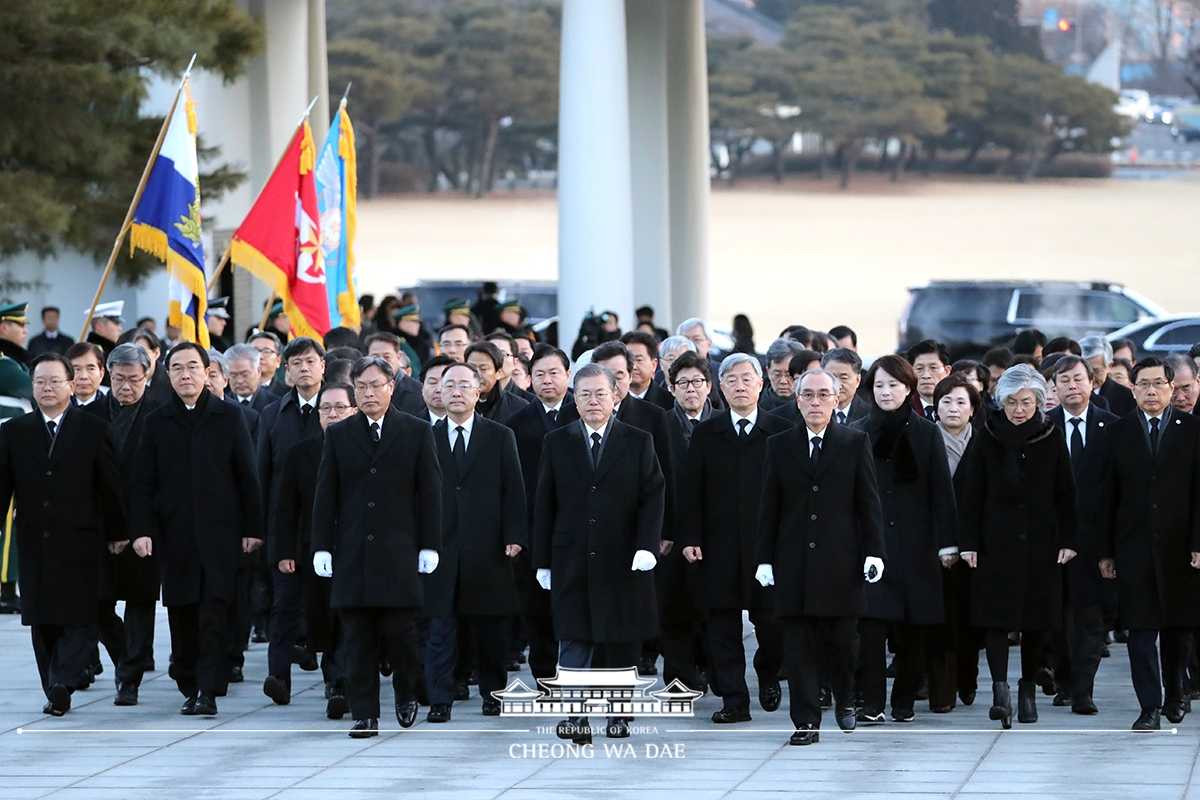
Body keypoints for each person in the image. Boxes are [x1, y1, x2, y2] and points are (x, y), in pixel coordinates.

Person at [533, 363, 665, 745]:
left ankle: (618, 713)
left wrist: (646, 545)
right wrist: (542, 560)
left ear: (615, 397)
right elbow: (545, 502)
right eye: (585, 394)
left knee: (619, 639)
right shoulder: (558, 441)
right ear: (574, 400)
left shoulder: (638, 440)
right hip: (572, 556)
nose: (593, 401)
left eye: (600, 394)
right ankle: (576, 715)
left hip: (622, 557)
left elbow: (653, 495)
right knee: (574, 637)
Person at [311, 357, 443, 738]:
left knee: (401, 636)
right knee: (357, 640)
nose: (369, 393)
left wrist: (429, 544)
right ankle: (365, 713)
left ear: (392, 386)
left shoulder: (416, 431)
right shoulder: (339, 434)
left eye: (376, 386)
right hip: (353, 553)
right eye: (361, 387)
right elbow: (326, 495)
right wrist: (322, 546)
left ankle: (406, 693)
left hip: (399, 553)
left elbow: (430, 492)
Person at [755, 367, 886, 746]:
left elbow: (868, 503)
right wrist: (764, 559)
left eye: (823, 395)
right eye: (807, 395)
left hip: (841, 562)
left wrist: (874, 551)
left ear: (836, 399)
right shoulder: (779, 445)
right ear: (797, 401)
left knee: (844, 642)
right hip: (793, 561)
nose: (815, 402)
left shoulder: (854, 442)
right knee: (797, 647)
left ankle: (845, 698)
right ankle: (806, 721)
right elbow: (770, 506)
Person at [131, 342, 263, 716]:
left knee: (214, 614)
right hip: (176, 539)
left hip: (221, 536)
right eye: (177, 368)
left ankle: (207, 689)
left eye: (193, 367)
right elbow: (143, 483)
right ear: (167, 375)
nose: (186, 374)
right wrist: (142, 530)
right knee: (184, 617)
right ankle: (190, 681)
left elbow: (246, 477)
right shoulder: (156, 422)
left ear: (207, 373)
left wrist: (253, 527)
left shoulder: (229, 416)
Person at [0, 353, 127, 715]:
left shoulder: (93, 429)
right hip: (35, 539)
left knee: (77, 617)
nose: (47, 388)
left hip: (80, 539)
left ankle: (63, 683)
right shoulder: (14, 431)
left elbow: (109, 486)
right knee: (41, 618)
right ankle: (53, 684)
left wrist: (118, 531)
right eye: (40, 381)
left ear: (72, 386)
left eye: (55, 381)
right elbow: (2, 484)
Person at [958, 364, 1077, 729]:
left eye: (1026, 402)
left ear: (1039, 401)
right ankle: (1000, 689)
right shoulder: (987, 435)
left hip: (1041, 544)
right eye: (1011, 402)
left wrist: (1068, 540)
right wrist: (969, 543)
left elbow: (1066, 492)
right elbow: (971, 494)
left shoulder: (1050, 435)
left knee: (1035, 620)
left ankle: (1027, 690)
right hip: (995, 542)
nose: (1019, 409)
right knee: (994, 618)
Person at [680, 353, 791, 723]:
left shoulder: (779, 430)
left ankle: (768, 670)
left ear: (761, 384)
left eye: (748, 378)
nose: (740, 385)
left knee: (773, 624)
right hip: (718, 545)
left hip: (767, 547)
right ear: (721, 388)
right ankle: (734, 700)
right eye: (732, 379)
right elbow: (692, 489)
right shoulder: (707, 432)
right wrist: (690, 536)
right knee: (721, 627)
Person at [850, 355, 958, 723]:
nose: (885, 392)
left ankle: (904, 701)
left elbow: (942, 491)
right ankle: (872, 703)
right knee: (870, 628)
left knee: (915, 630)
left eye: (893, 385)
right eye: (879, 385)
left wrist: (948, 544)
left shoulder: (927, 432)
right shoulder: (858, 429)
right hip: (872, 546)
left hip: (917, 544)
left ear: (909, 388)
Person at [1099, 356, 1200, 731]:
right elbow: (1107, 494)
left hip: (1180, 548)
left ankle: (1175, 694)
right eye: (1144, 384)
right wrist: (1106, 550)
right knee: (1141, 631)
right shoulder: (1118, 431)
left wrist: (1198, 543)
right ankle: (1149, 706)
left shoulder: (1192, 430)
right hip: (1134, 546)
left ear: (1171, 388)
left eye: (1159, 383)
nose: (1152, 391)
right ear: (1133, 389)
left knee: (1178, 629)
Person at [424, 363, 526, 723]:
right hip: (438, 546)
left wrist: (515, 536)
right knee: (439, 628)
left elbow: (513, 488)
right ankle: (440, 698)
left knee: (491, 629)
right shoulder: (426, 436)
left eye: (464, 385)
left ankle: (493, 693)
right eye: (447, 384)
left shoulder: (499, 435)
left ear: (479, 391)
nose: (454, 391)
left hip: (489, 547)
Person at [267, 382, 358, 719]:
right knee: (321, 617)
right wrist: (285, 551)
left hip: (356, 549)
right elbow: (286, 509)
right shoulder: (301, 453)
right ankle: (327, 678)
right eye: (325, 409)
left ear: (355, 410)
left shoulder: (367, 450)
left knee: (346, 617)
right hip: (312, 550)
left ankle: (339, 684)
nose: (332, 415)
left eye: (339, 408)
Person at [1047, 355, 1118, 715]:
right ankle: (1064, 680)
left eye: (1078, 379)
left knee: (1090, 619)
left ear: (1091, 382)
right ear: (1054, 387)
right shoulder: (1043, 427)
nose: (1072, 386)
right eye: (1064, 380)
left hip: (1095, 540)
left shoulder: (1113, 426)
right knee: (1058, 619)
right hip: (1052, 541)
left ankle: (1083, 690)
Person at [506, 346, 579, 682]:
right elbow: (509, 484)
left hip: (579, 525)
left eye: (554, 373)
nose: (547, 380)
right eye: (539, 374)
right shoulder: (516, 423)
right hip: (535, 529)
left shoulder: (584, 414)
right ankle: (546, 676)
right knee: (536, 608)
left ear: (568, 375)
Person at [257, 337, 326, 682]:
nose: (304, 368)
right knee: (283, 604)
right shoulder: (272, 414)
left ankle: (335, 679)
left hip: (328, 528)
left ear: (323, 366)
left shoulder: (339, 410)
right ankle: (278, 677)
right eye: (296, 363)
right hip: (285, 528)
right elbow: (263, 477)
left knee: (328, 607)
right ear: (287, 370)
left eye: (310, 361)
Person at [928, 373, 984, 710]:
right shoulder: (923, 440)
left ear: (973, 409)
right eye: (946, 401)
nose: (953, 408)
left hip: (974, 548)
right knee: (938, 621)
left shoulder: (984, 442)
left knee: (969, 618)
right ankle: (941, 692)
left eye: (961, 401)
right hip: (932, 546)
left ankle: (968, 679)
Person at [657, 351, 712, 691]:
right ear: (671, 387)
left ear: (709, 386)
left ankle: (710, 668)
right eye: (682, 383)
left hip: (714, 534)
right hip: (671, 534)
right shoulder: (658, 425)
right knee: (673, 610)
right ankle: (678, 677)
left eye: (697, 382)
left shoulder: (723, 424)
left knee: (712, 611)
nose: (690, 389)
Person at [363, 332, 429, 417]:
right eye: (375, 357)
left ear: (398, 357)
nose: (381, 362)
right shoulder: (360, 390)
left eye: (387, 357)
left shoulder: (419, 391)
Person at [465, 341, 526, 423]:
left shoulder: (518, 407)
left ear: (498, 373)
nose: (477, 375)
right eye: (472, 368)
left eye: (484, 369)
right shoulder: (453, 402)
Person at [1080, 335, 1136, 419]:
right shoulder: (1064, 393)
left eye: (1096, 371)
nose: (1090, 377)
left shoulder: (1127, 398)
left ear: (1109, 366)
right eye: (1083, 371)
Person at [766, 349, 823, 424]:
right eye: (803, 378)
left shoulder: (839, 416)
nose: (810, 383)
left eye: (816, 377)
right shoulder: (774, 419)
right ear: (792, 381)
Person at [620, 331, 673, 411]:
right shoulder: (612, 401)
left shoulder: (671, 403)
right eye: (629, 360)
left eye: (639, 360)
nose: (634, 367)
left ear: (654, 365)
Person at [906, 339, 952, 419]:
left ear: (946, 371)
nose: (926, 375)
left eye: (933, 368)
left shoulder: (958, 407)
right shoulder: (903, 410)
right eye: (919, 369)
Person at [822, 348, 870, 425]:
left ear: (857, 380)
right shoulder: (811, 415)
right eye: (832, 378)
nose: (838, 385)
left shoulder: (869, 416)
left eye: (844, 378)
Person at [225, 343, 276, 412]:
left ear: (258, 371)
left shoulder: (275, 405)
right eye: (234, 375)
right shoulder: (222, 404)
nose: (240, 381)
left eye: (245, 375)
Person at [759, 338, 806, 413]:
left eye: (789, 375)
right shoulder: (755, 404)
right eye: (777, 374)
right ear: (768, 372)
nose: (783, 381)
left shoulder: (809, 407)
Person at [66, 342, 109, 416]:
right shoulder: (57, 409)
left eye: (91, 369)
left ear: (101, 374)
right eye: (77, 369)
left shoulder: (111, 409)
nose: (84, 376)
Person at [249, 331, 288, 396]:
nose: (260, 356)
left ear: (278, 360)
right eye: (254, 351)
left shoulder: (288, 394)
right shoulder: (231, 392)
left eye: (267, 351)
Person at [421, 355, 456, 425]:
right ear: (422, 387)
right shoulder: (410, 426)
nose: (439, 389)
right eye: (432, 383)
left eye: (447, 383)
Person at [0, 303, 31, 371]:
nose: (25, 331)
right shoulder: (6, 362)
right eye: (21, 325)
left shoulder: (17, 359)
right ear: (4, 328)